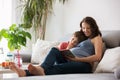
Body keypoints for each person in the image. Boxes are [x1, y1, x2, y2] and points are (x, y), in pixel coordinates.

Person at [9, 16, 103, 77]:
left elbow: (98, 57)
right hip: (71, 60)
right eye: (83, 28)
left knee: (59, 68)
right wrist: (68, 50)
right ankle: (40, 69)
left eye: (88, 28)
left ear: (93, 27)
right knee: (55, 50)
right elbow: (76, 46)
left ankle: (25, 72)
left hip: (84, 66)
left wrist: (77, 59)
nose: (85, 30)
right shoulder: (84, 38)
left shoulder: (96, 38)